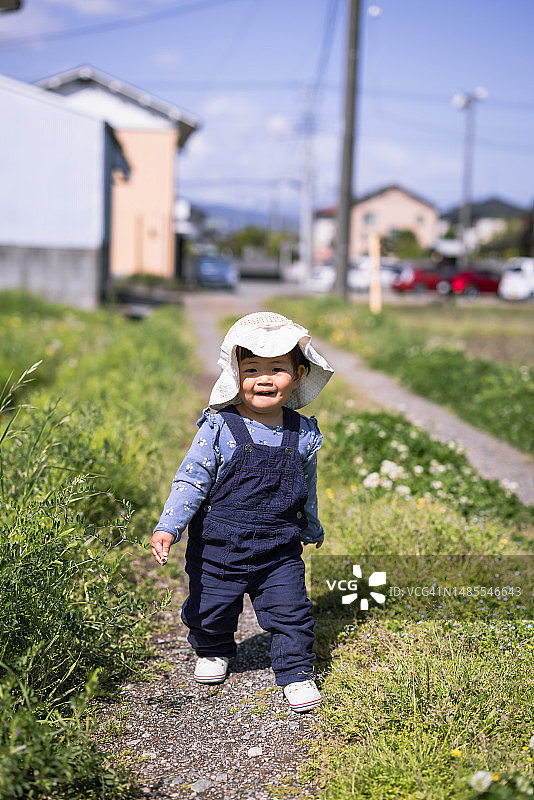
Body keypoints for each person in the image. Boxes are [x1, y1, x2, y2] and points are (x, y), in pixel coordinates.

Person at [151, 311, 333, 712]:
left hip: (278, 548)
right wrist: (170, 527)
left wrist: (311, 524)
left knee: (292, 612)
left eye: (277, 369)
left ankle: (297, 672)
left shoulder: (302, 433)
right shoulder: (219, 426)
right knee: (209, 609)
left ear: (299, 374)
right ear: (236, 375)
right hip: (220, 545)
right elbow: (191, 479)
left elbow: (306, 485)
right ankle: (214, 649)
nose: (264, 379)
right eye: (252, 370)